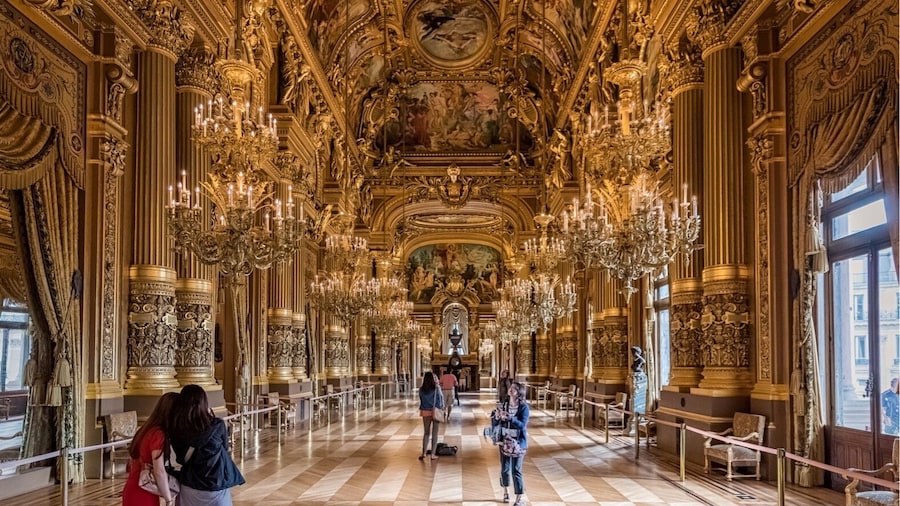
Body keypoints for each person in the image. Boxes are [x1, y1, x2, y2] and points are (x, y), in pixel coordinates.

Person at [169, 384, 245, 505]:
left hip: (189, 485)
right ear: (204, 403)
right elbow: (225, 449)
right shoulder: (217, 425)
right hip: (216, 485)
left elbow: (181, 458)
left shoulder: (176, 429)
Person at [122, 392, 179, 506]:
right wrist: (168, 499)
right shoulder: (158, 434)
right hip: (143, 492)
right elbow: (159, 471)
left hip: (133, 487)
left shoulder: (146, 429)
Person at [492, 381, 530, 506]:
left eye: (514, 388)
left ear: (519, 393)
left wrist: (510, 418)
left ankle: (519, 498)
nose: (511, 389)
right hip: (504, 441)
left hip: (518, 442)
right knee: (504, 469)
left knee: (516, 470)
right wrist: (497, 417)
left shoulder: (524, 407)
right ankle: (506, 492)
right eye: (511, 388)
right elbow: (497, 423)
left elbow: (522, 425)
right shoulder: (504, 404)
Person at [417, 371, 444, 460]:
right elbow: (440, 400)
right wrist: (441, 408)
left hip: (425, 412)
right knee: (435, 433)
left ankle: (424, 453)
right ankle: (433, 454)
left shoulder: (421, 389)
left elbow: (421, 399)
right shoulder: (436, 388)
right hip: (435, 411)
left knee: (426, 433)